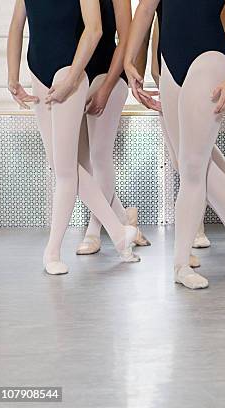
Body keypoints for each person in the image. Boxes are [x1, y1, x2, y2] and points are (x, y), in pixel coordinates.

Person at [124, 0, 225, 289]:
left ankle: (180, 264)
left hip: (209, 58)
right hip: (170, 63)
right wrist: (130, 60)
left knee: (191, 167)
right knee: (190, 161)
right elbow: (145, 9)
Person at [7, 0, 140, 275]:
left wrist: (73, 78)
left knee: (66, 171)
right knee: (61, 164)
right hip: (38, 71)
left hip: (69, 70)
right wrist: (12, 77)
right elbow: (16, 25)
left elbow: (94, 30)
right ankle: (118, 232)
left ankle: (52, 250)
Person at [76, 0, 151, 256]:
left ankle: (94, 231)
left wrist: (107, 87)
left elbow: (127, 39)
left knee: (99, 155)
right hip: (76, 77)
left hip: (109, 74)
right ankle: (123, 217)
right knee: (80, 164)